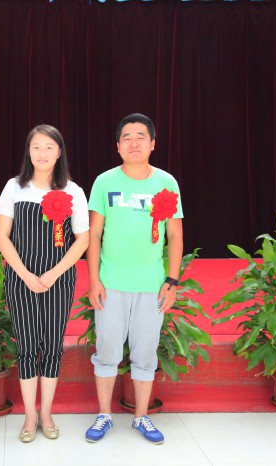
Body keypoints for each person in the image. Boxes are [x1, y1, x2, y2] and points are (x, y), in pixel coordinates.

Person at [84, 113, 183, 444]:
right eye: (127, 137)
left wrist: (172, 281)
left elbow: (175, 235)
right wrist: (94, 280)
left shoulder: (166, 183)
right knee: (107, 352)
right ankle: (104, 415)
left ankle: (142, 417)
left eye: (141, 137)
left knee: (145, 354)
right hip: (110, 285)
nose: (134, 143)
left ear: (153, 144)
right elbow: (94, 234)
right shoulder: (104, 182)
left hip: (151, 287)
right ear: (118, 146)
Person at [0, 124, 89, 443]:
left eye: (49, 147)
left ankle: (46, 412)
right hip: (20, 279)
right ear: (29, 151)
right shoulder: (14, 187)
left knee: (51, 346)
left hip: (59, 281)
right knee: (26, 346)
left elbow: (81, 240)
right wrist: (24, 274)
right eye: (36, 147)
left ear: (59, 152)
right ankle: (29, 415)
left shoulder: (73, 191)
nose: (42, 153)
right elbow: (2, 236)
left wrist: (54, 273)